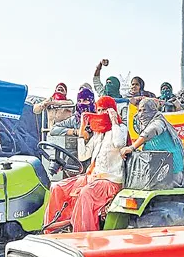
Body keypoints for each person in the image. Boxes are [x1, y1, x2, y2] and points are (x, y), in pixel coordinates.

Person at [43, 96, 129, 233]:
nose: (100, 113)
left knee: (85, 194)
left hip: (109, 181)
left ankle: (82, 236)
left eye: (104, 110)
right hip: (92, 177)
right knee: (57, 187)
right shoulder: (98, 132)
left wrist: (114, 121)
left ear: (112, 110)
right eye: (98, 110)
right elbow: (83, 155)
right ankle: (53, 231)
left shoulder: (120, 128)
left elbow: (119, 143)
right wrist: (83, 129)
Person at [120, 98, 184, 187]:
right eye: (139, 111)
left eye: (144, 110)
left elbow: (152, 131)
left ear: (152, 110)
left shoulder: (159, 122)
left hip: (172, 170)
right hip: (158, 168)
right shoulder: (146, 125)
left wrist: (132, 147)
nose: (141, 114)